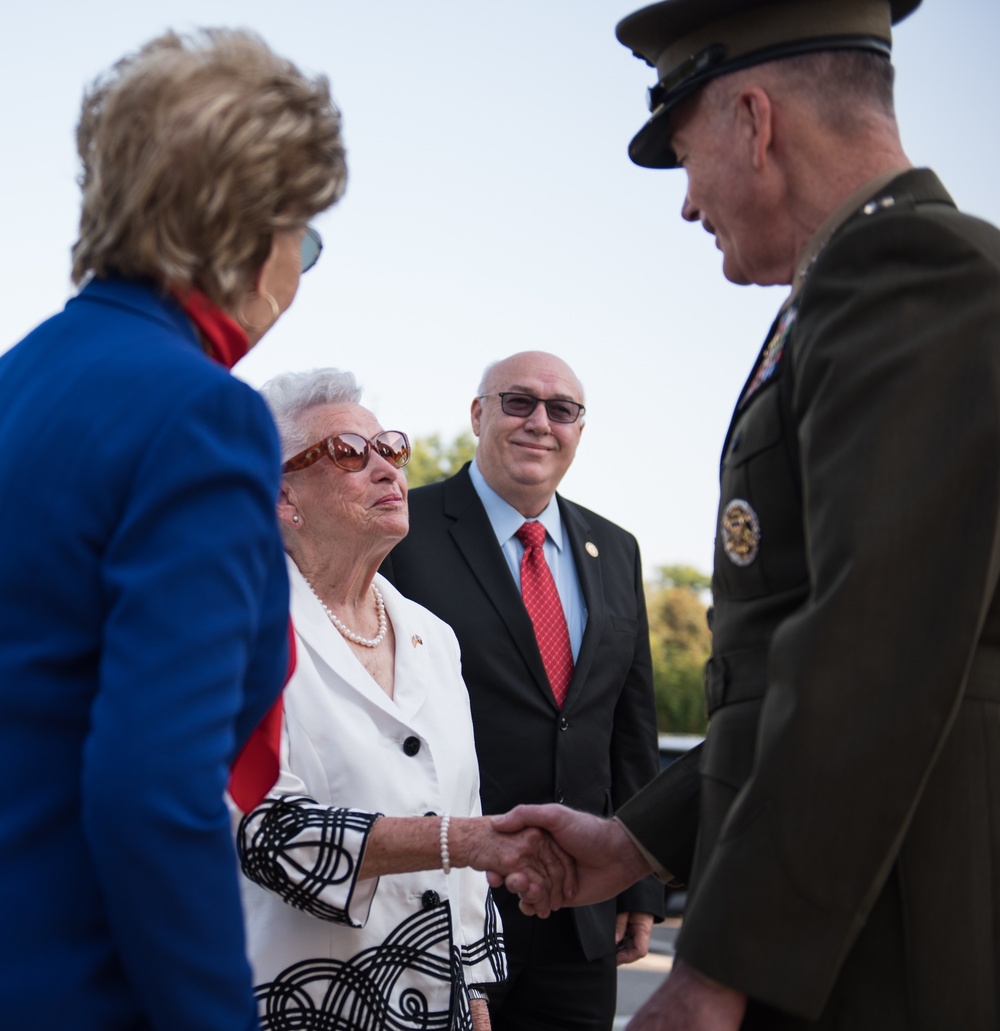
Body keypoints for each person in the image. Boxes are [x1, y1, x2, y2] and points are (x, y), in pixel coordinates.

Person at [492, 0, 1000, 1029]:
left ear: (754, 122)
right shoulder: (839, 295)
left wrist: (716, 963)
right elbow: (777, 669)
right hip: (846, 922)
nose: (687, 206)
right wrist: (638, 840)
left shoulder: (911, 272)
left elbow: (874, 647)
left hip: (894, 938)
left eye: (684, 158)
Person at [0, 30, 347, 1031]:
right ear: (247, 224)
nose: (299, 268)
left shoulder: (25, 379)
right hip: (83, 983)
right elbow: (152, 789)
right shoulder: (202, 412)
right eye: (306, 239)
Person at [232, 368, 575, 1031]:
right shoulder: (235, 626)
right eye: (349, 453)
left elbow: (463, 816)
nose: (387, 469)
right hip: (295, 1002)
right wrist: (465, 840)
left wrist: (474, 995)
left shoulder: (433, 637)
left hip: (433, 1008)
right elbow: (265, 831)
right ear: (282, 498)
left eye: (389, 448)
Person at [382, 351, 664, 1030]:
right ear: (478, 414)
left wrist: (642, 884)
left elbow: (631, 726)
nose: (541, 422)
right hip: (442, 900)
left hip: (579, 910)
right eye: (518, 402)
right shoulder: (402, 530)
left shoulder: (616, 548)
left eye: (561, 409)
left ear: (578, 429)